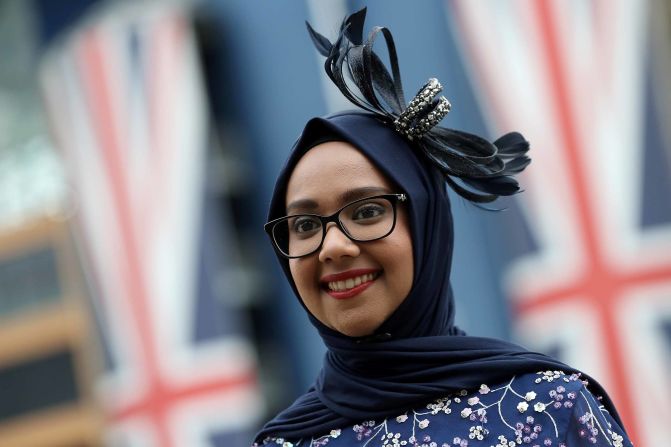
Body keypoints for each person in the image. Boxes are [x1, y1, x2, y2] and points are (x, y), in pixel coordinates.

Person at [253, 9, 632, 447]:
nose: (332, 247)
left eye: (367, 212)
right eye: (304, 224)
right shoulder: (286, 443)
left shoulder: (550, 407)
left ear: (427, 225)